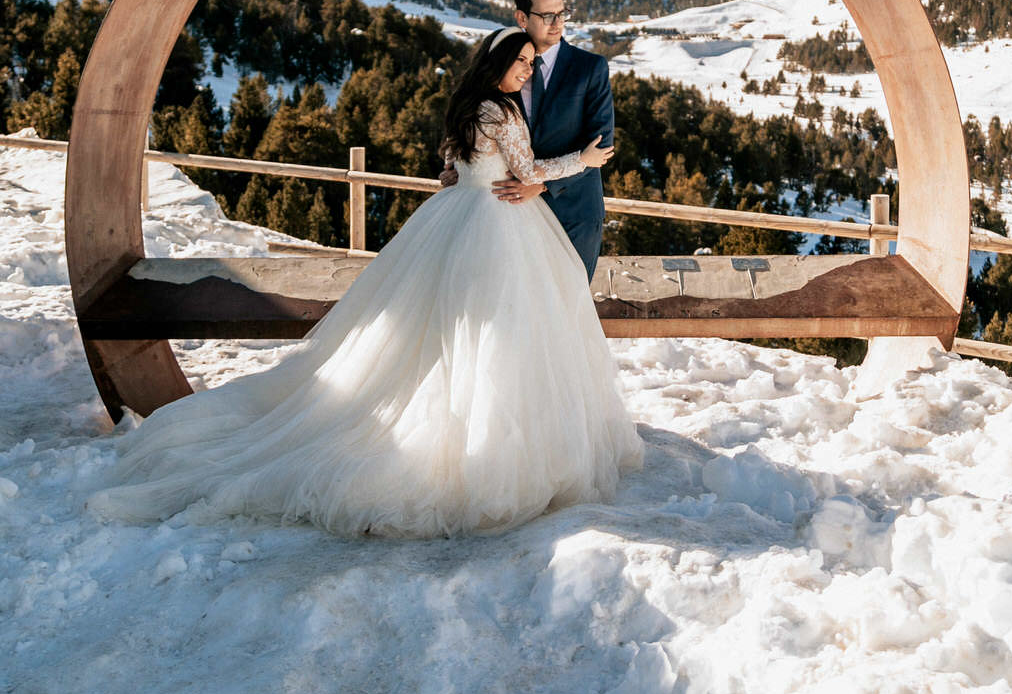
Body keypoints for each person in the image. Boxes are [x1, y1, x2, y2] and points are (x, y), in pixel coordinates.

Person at [89, 27, 643, 540]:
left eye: (530, 61)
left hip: (459, 217)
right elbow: (530, 171)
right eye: (520, 61)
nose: (527, 69)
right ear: (498, 62)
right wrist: (583, 161)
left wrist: (500, 181)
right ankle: (492, 449)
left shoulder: (468, 106)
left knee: (447, 336)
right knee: (497, 335)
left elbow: (451, 172)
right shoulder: (501, 110)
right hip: (496, 224)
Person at [442, 0, 614, 282]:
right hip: (505, 215)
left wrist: (542, 186)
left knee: (567, 307)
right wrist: (462, 166)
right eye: (547, 16)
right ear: (522, 17)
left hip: (573, 211)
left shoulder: (591, 68)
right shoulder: (507, 66)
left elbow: (601, 146)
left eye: (561, 13)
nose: (557, 22)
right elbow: (480, 123)